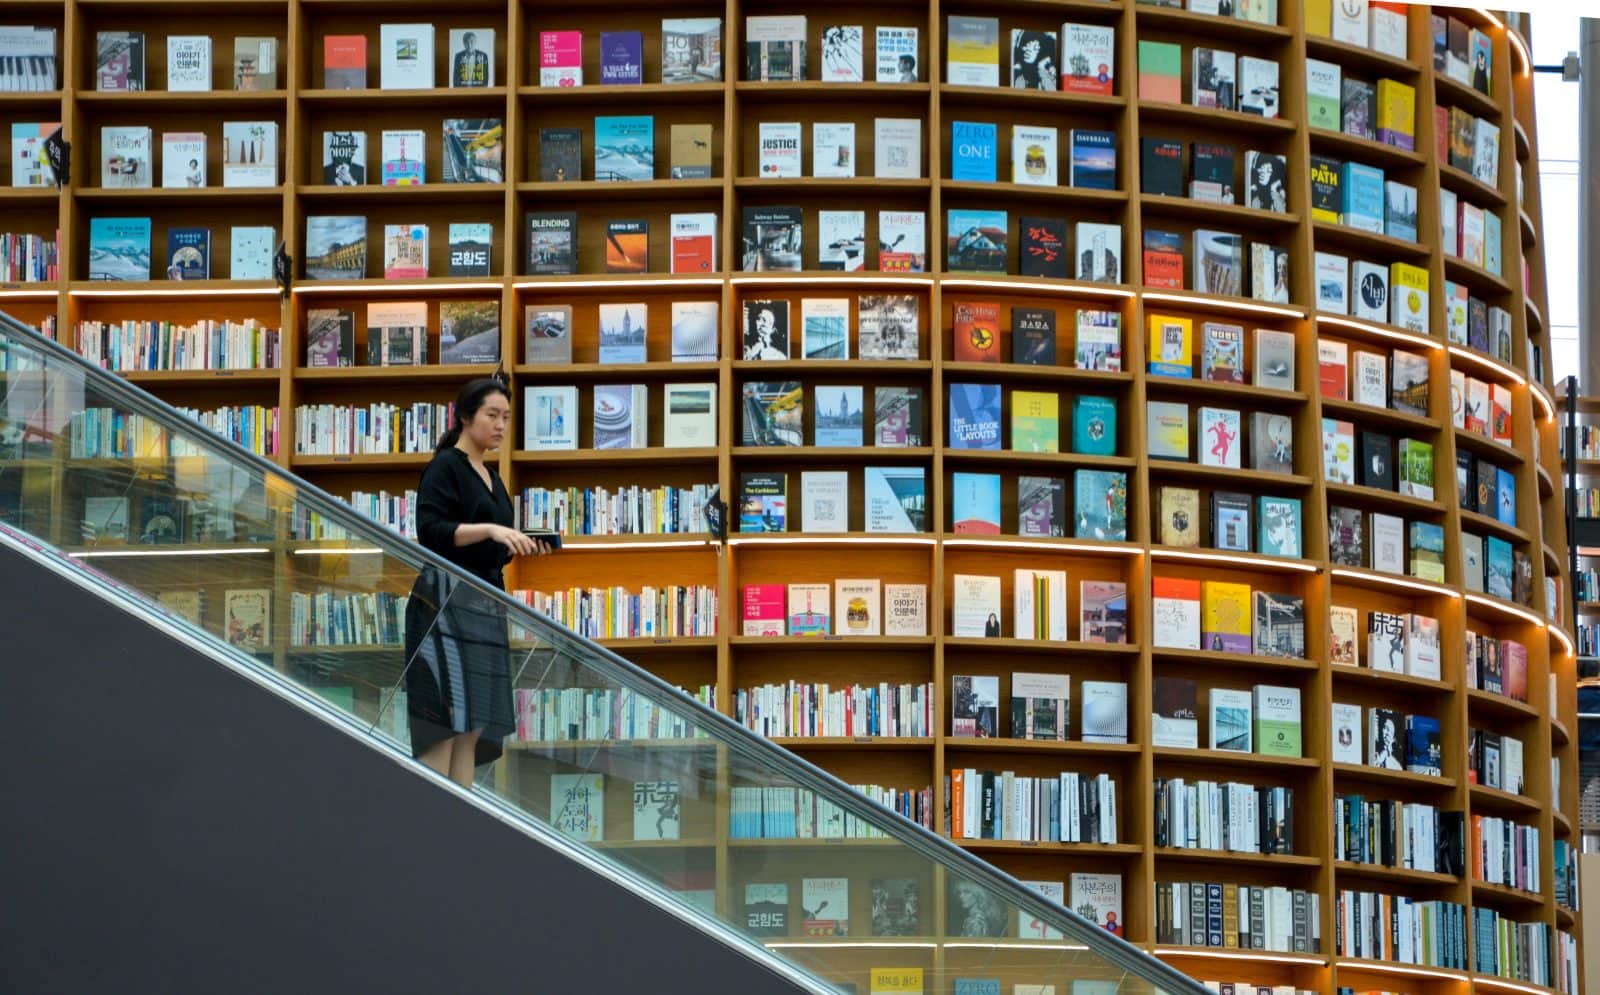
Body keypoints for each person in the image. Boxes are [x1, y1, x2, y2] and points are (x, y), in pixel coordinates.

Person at [406, 376, 550, 788]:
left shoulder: (491, 476)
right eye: (492, 415)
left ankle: (458, 824)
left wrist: (517, 544)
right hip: (445, 606)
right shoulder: (445, 466)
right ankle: (432, 825)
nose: (501, 424)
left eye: (506, 416)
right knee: (444, 722)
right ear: (465, 417)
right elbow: (430, 530)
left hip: (483, 605)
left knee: (472, 726)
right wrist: (489, 530)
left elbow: (489, 546)